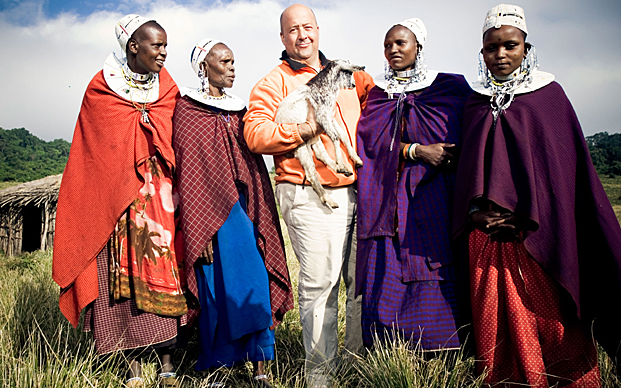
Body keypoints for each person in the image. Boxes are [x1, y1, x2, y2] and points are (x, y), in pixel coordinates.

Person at [452, 4, 621, 386]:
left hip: (537, 237)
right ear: (482, 53)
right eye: (492, 48)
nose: (500, 55)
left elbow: (561, 175)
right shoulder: (475, 102)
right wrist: (475, 212)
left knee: (552, 322)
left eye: (510, 46)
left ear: (526, 48)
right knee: (494, 326)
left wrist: (524, 215)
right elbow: (467, 173)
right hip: (486, 240)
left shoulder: (549, 97)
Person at [243, 4, 373, 387]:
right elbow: (256, 134)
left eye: (307, 27)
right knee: (322, 291)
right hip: (308, 196)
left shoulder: (350, 77)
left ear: (318, 30)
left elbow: (378, 110)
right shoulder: (273, 82)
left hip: (358, 192)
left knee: (361, 285)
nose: (302, 35)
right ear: (282, 38)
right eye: (293, 30)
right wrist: (306, 127)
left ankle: (357, 367)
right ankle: (321, 378)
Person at [52, 14, 186, 388]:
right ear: (133, 47)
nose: (163, 52)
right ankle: (133, 372)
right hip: (117, 205)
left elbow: (175, 135)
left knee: (163, 273)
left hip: (160, 203)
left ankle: (168, 366)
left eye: (165, 46)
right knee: (120, 281)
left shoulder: (168, 87)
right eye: (156, 45)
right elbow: (94, 152)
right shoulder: (101, 89)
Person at [172, 39, 294, 387]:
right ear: (204, 67)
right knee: (215, 292)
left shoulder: (241, 111)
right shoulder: (187, 111)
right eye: (224, 61)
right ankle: (218, 368)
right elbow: (189, 173)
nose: (232, 67)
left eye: (234, 61)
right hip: (209, 221)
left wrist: (257, 216)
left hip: (244, 212)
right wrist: (199, 230)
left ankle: (261, 369)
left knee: (255, 282)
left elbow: (253, 167)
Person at [356, 18, 471, 352]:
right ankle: (391, 350)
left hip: (435, 192)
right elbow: (370, 144)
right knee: (389, 265)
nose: (393, 50)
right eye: (387, 44)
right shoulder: (377, 95)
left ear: (418, 47)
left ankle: (445, 347)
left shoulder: (448, 87)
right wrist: (416, 150)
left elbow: (469, 131)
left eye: (400, 43)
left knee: (436, 261)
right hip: (388, 198)